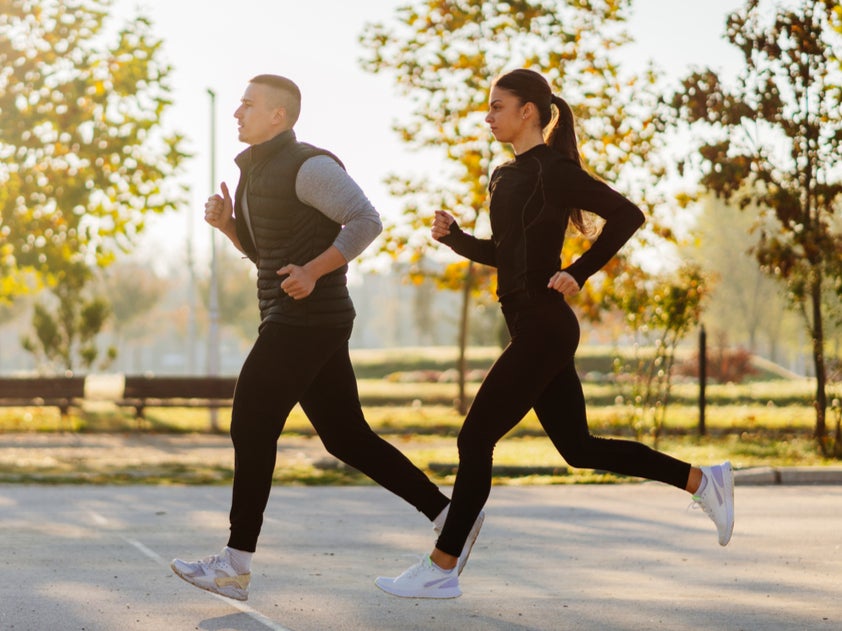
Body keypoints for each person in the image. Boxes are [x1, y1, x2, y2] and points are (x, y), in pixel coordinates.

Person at [374, 68, 735, 600]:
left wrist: (581, 270)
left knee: (475, 439)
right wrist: (458, 240)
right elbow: (508, 254)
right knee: (579, 448)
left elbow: (627, 215)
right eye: (488, 106)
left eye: (498, 106)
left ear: (529, 112)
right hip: (527, 322)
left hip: (545, 325)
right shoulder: (503, 175)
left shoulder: (554, 170)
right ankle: (704, 482)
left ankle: (443, 565)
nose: (488, 115)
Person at [170, 74, 482, 601]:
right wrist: (228, 226)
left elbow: (366, 220)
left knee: (251, 421)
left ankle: (234, 563)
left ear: (279, 116)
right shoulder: (255, 173)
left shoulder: (309, 165)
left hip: (307, 319)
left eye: (248, 104)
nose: (237, 112)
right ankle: (450, 518)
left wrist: (314, 271)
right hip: (301, 316)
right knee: (345, 436)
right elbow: (269, 256)